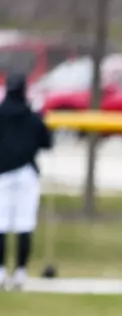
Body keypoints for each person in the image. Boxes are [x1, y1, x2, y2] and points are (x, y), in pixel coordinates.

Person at [0, 72, 52, 292]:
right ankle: (20, 272)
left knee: (1, 224)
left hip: (2, 173)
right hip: (26, 175)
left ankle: (1, 271)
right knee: (24, 223)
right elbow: (47, 142)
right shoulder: (33, 117)